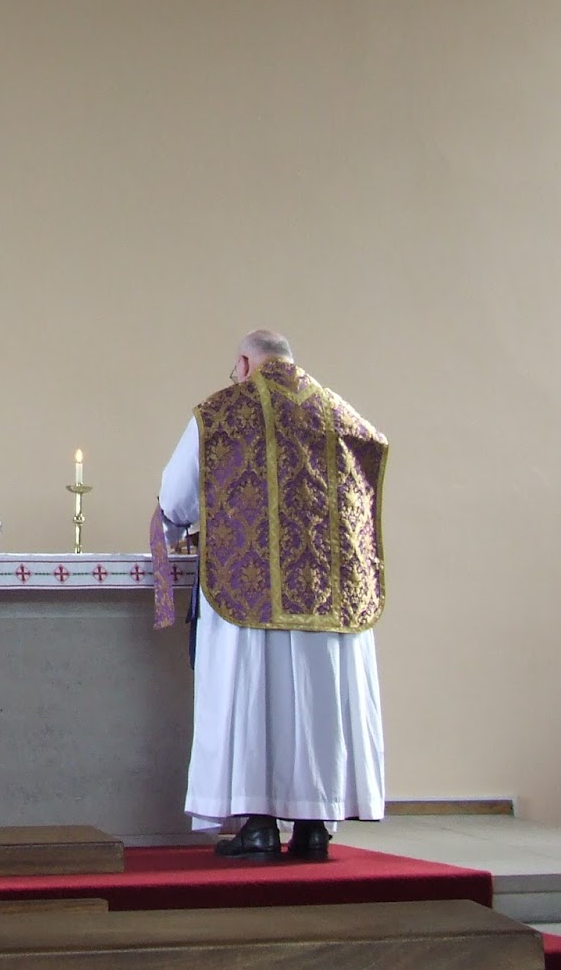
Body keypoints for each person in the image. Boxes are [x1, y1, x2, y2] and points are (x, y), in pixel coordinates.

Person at [154, 330, 388, 861]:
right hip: (329, 598)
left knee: (253, 700)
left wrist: (170, 530)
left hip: (246, 593)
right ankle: (314, 828)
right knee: (318, 708)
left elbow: (177, 497)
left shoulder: (222, 412)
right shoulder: (340, 415)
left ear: (244, 363)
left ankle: (257, 826)